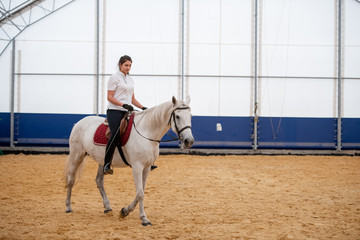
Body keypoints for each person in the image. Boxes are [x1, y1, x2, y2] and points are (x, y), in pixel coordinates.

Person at [103, 55, 154, 175]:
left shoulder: (130, 79)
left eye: (130, 65)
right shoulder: (114, 78)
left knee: (140, 130)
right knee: (115, 132)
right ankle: (107, 163)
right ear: (120, 65)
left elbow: (132, 98)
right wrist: (123, 105)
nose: (128, 67)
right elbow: (109, 97)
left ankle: (146, 160)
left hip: (127, 110)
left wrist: (143, 108)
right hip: (114, 110)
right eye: (126, 65)